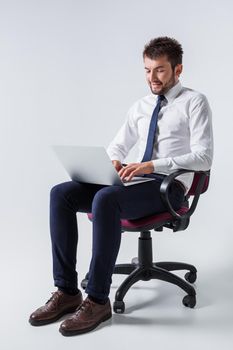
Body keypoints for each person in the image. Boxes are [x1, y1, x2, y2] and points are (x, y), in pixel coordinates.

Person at [29, 36, 213, 336]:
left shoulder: (194, 102)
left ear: (178, 70)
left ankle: (98, 300)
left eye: (160, 70)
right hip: (134, 182)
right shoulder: (140, 106)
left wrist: (152, 166)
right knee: (61, 194)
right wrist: (113, 162)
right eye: (147, 70)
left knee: (105, 200)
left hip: (167, 188)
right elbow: (118, 145)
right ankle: (67, 291)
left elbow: (204, 157)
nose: (152, 78)